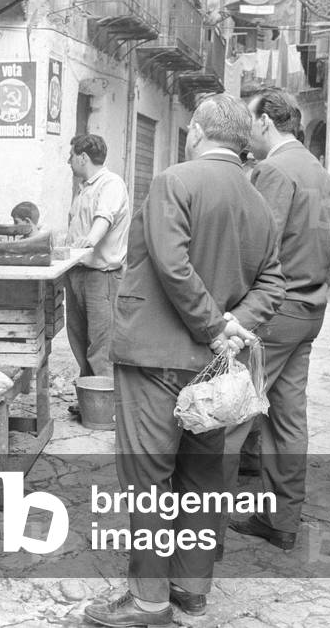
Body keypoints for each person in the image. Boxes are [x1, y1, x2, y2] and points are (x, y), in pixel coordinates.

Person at [85, 94, 284, 626]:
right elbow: (274, 281)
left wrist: (216, 325)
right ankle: (191, 590)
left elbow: (171, 265)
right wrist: (235, 326)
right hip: (213, 369)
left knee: (148, 478)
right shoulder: (259, 201)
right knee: (201, 478)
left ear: (196, 131)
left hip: (156, 355)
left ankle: (149, 600)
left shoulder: (175, 180)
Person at [221, 88, 330, 552]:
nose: (247, 133)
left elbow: (254, 245)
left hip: (275, 312)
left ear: (267, 123)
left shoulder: (272, 170)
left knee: (228, 415)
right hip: (310, 312)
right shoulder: (322, 173)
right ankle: (282, 521)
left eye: (250, 123)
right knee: (288, 420)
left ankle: (201, 528)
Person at [63, 134, 131, 379]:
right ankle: (89, 397)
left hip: (101, 277)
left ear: (82, 157)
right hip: (78, 273)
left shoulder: (111, 184)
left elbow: (104, 217)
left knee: (101, 344)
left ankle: (106, 410)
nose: (68, 161)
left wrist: (89, 240)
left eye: (71, 156)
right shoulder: (84, 189)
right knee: (79, 338)